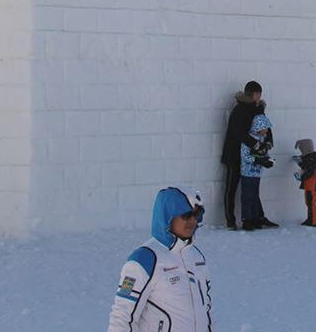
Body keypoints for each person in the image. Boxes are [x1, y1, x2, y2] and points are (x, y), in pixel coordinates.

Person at [106, 187, 214, 332]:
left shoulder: (197, 258)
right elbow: (121, 317)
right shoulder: (144, 260)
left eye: (197, 214)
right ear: (168, 215)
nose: (192, 220)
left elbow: (207, 311)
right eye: (186, 215)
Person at [221, 80, 278, 230]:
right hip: (234, 154)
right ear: (251, 94)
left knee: (252, 187)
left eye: (260, 94)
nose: (259, 96)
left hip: (252, 156)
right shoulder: (240, 109)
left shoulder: (258, 109)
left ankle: (257, 217)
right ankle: (231, 220)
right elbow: (238, 132)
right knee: (231, 187)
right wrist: (256, 145)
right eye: (257, 93)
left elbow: (265, 128)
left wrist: (268, 143)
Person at [240, 113, 274, 231]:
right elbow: (245, 157)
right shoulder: (249, 140)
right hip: (247, 173)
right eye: (265, 128)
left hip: (257, 173)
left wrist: (267, 160)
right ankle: (247, 220)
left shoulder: (262, 140)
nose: (266, 130)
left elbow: (264, 153)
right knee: (247, 196)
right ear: (258, 127)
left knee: (255, 196)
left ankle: (255, 218)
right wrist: (258, 160)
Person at [293, 138, 316, 226]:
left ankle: (312, 221)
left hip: (311, 185)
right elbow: (306, 166)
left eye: (301, 149)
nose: (301, 151)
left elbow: (309, 171)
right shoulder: (312, 158)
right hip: (312, 184)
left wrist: (301, 177)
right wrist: (299, 162)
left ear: (305, 149)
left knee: (310, 202)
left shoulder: (310, 160)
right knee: (311, 202)